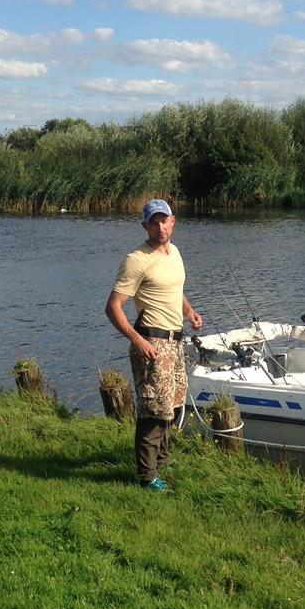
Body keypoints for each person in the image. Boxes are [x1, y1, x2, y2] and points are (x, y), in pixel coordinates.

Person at [105, 199, 202, 491]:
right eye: (154, 222)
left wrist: (189, 312)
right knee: (153, 410)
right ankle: (147, 477)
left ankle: (162, 461)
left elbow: (175, 289)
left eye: (165, 221)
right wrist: (138, 340)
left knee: (171, 406)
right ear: (145, 226)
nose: (160, 227)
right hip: (151, 341)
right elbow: (113, 307)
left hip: (175, 340)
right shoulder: (136, 259)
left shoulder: (174, 253)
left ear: (173, 221)